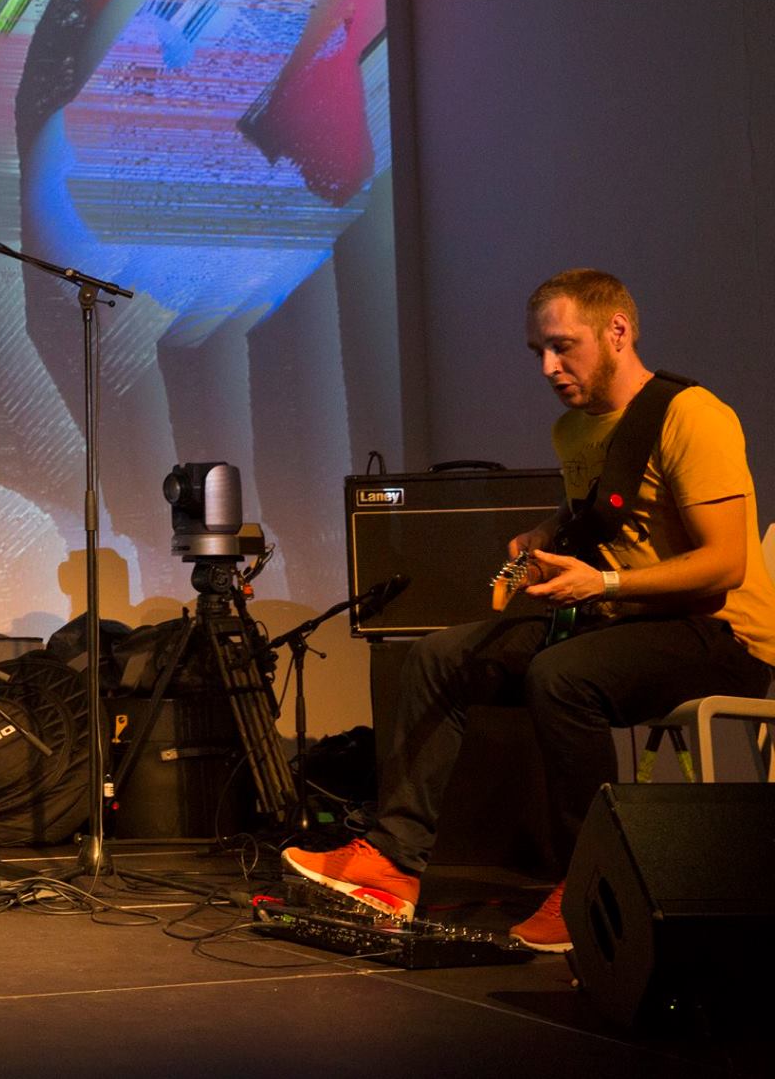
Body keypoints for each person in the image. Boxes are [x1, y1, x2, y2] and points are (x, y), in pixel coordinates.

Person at [284, 269, 775, 950]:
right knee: (438, 657)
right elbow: (607, 512)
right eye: (538, 351)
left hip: (721, 634)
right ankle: (394, 863)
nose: (548, 366)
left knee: (561, 676)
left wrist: (602, 584)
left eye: (562, 346)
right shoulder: (574, 430)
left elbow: (726, 564)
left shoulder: (692, 415)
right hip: (630, 619)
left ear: (618, 331)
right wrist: (549, 533)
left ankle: (594, 882)